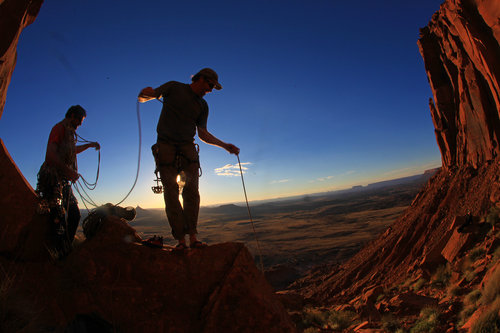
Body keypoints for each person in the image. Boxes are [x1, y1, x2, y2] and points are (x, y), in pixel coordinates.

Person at [138, 68, 239, 250]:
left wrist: (225, 146)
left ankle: (193, 239)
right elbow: (148, 96)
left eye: (212, 88)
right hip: (166, 146)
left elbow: (203, 134)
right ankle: (181, 241)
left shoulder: (203, 106)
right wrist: (144, 95)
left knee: (192, 193)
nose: (209, 90)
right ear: (200, 79)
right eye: (210, 85)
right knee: (171, 193)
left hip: (187, 147)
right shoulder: (174, 87)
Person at [36, 105, 100, 255]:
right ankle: (56, 253)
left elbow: (72, 151)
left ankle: (65, 251)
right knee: (57, 219)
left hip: (63, 181)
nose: (79, 125)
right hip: (52, 179)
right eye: (78, 121)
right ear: (72, 116)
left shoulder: (69, 134)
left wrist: (89, 145)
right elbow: (50, 156)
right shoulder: (58, 129)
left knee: (74, 214)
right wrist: (68, 171)